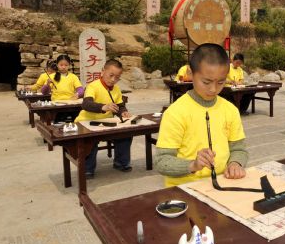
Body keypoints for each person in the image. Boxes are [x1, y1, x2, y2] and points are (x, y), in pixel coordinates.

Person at [155, 44, 248, 187]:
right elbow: (162, 161)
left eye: (221, 82)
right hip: (184, 188)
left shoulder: (230, 110)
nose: (213, 89)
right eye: (206, 82)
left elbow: (239, 149)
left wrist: (235, 163)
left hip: (223, 183)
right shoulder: (175, 112)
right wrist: (193, 165)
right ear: (191, 73)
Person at [75, 59, 133, 179]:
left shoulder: (116, 89)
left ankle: (121, 162)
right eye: (111, 75)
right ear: (102, 72)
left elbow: (120, 105)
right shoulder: (93, 86)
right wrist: (103, 107)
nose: (113, 80)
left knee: (126, 134)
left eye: (117, 77)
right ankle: (87, 169)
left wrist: (124, 112)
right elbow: (86, 104)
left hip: (106, 122)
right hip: (87, 122)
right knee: (89, 139)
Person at [41, 54, 84, 121]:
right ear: (57, 65)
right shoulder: (52, 76)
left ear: (69, 65)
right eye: (61, 65)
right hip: (57, 105)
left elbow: (80, 90)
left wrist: (78, 94)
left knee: (76, 120)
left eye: (66, 65)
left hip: (71, 104)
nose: (63, 67)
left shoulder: (73, 77)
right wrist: (47, 84)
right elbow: (44, 92)